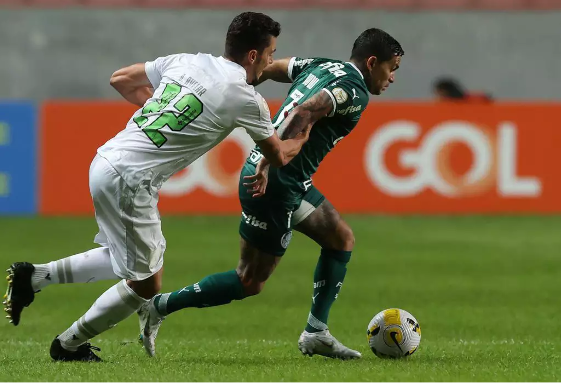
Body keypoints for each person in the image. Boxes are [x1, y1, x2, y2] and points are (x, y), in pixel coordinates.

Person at [2, 11, 311, 362]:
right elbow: (279, 154)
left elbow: (120, 79)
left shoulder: (186, 61)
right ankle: (68, 345)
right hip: (132, 179)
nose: (271, 62)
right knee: (147, 283)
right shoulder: (245, 97)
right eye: (271, 53)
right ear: (254, 55)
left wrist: (164, 110)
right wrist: (306, 129)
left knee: (127, 261)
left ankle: (35, 277)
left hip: (105, 160)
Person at [141, 28, 404, 360]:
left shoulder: (322, 65)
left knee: (340, 239)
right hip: (273, 183)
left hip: (289, 181)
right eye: (391, 68)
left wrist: (244, 85)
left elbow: (274, 67)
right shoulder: (353, 90)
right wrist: (270, 156)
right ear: (371, 62)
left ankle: (315, 332)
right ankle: (159, 306)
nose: (392, 77)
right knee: (249, 281)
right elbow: (307, 110)